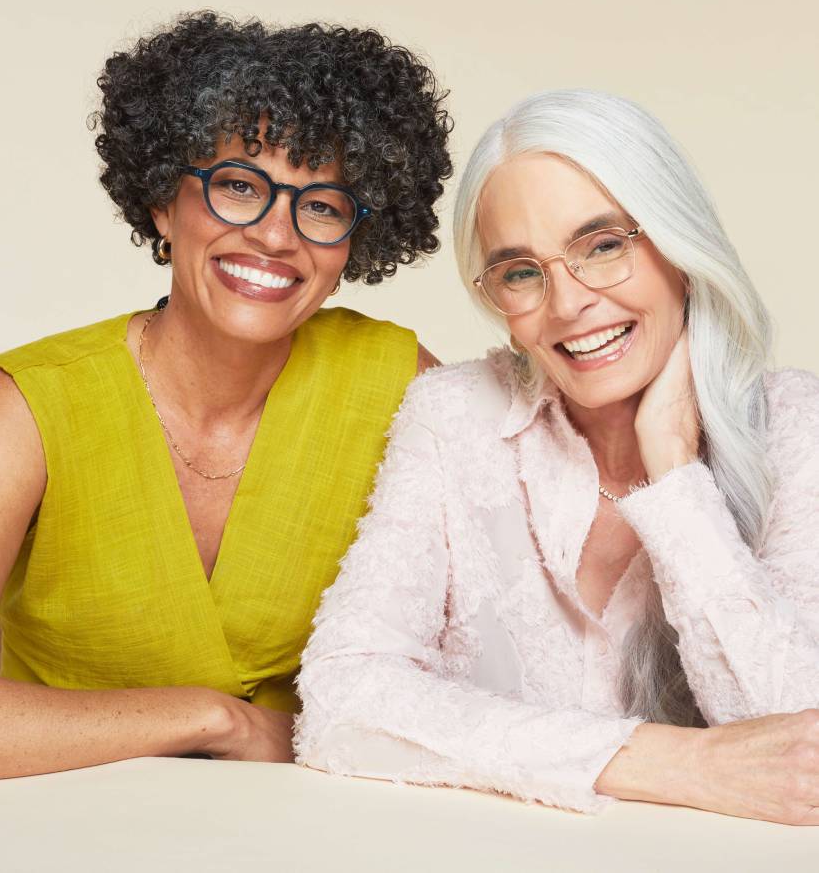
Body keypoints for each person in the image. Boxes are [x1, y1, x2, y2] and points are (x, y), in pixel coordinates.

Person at [0, 11, 451, 784]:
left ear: (353, 243)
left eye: (321, 205)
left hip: (326, 836)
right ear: (164, 202)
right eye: (237, 186)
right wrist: (214, 721)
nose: (275, 235)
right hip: (54, 829)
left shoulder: (399, 384)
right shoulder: (25, 405)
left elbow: (488, 663)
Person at [295, 90, 819, 825]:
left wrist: (674, 474)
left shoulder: (799, 427)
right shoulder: (453, 416)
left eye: (603, 246)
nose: (568, 303)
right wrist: (675, 762)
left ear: (679, 244)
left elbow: (802, 757)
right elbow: (340, 701)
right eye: (520, 272)